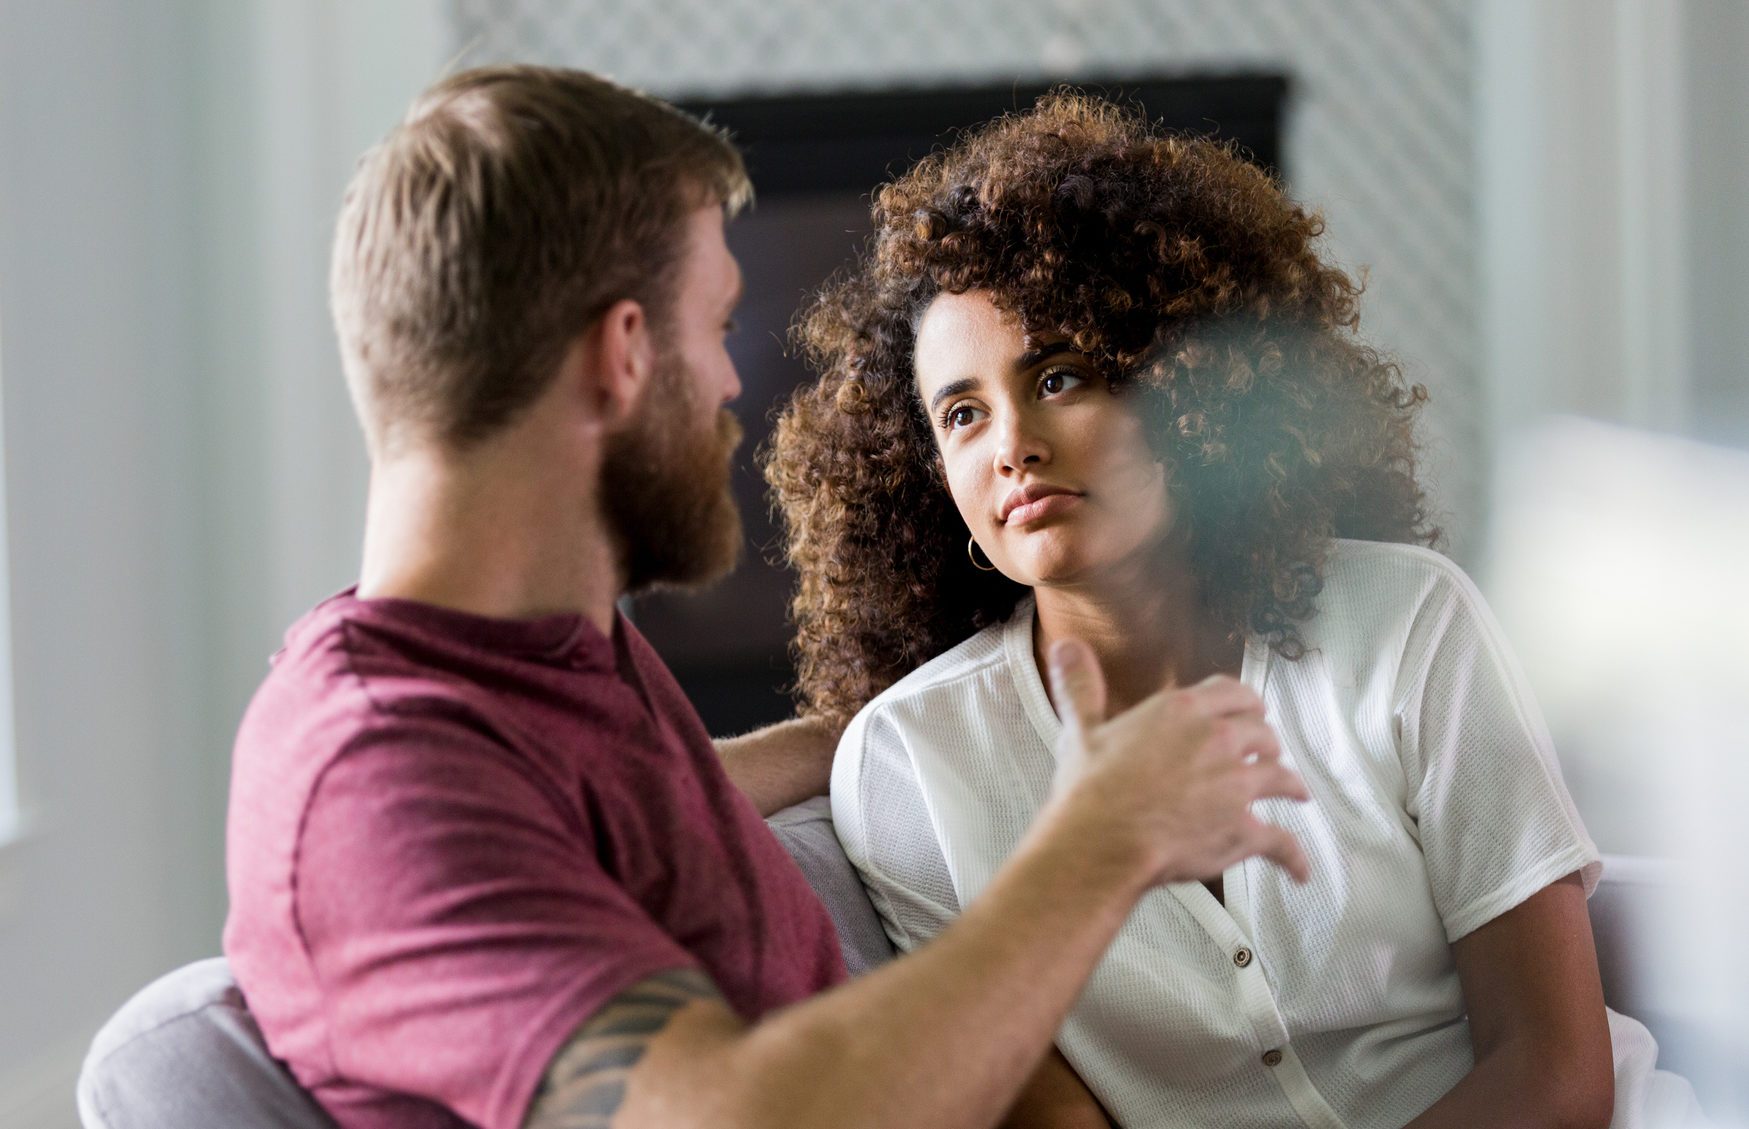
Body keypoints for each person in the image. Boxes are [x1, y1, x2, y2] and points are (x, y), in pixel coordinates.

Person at [222, 66, 1316, 1129]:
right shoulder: (375, 776)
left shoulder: (539, 655)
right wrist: (1101, 845)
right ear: (625, 354)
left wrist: (925, 717)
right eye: (720, 324)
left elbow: (630, 807)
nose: (739, 384)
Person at [767, 93, 1707, 1127]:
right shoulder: (910, 769)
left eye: (1063, 375)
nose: (1012, 444)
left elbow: (1555, 1068)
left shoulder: (1405, 621)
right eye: (962, 413)